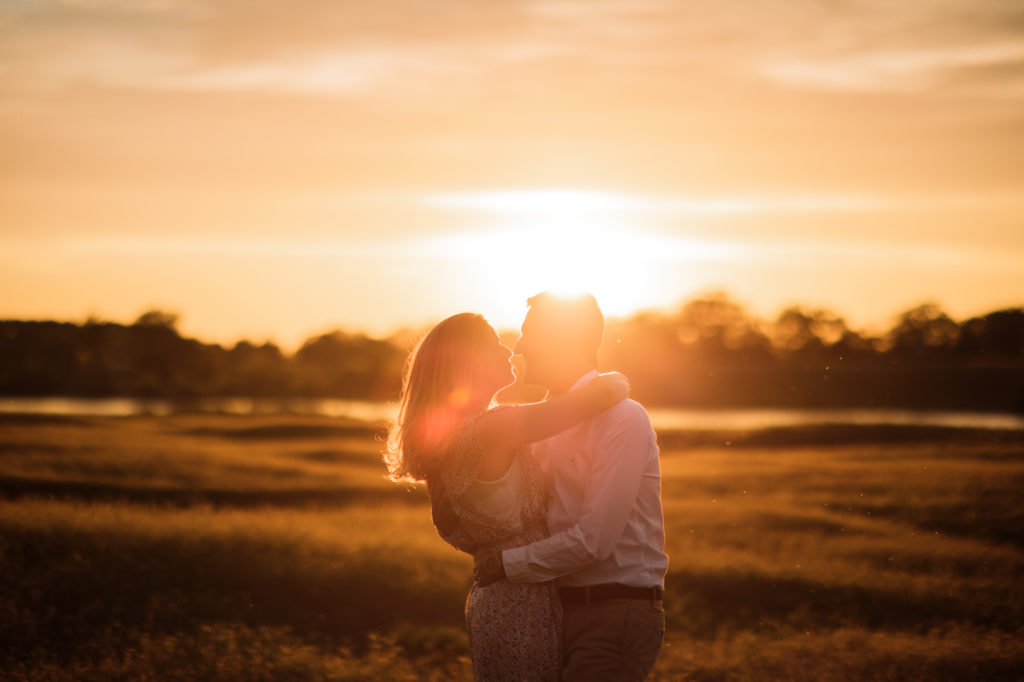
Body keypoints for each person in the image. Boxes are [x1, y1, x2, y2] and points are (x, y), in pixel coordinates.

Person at [383, 312, 630, 681]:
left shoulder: (460, 431)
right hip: (520, 603)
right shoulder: (491, 429)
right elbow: (596, 398)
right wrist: (618, 378)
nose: (509, 351)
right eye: (495, 344)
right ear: (472, 362)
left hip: (504, 598)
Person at [475, 292, 669, 682]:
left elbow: (595, 540)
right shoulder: (542, 422)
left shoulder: (623, 417)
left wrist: (506, 565)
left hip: (614, 611)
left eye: (529, 334)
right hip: (551, 611)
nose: (519, 346)